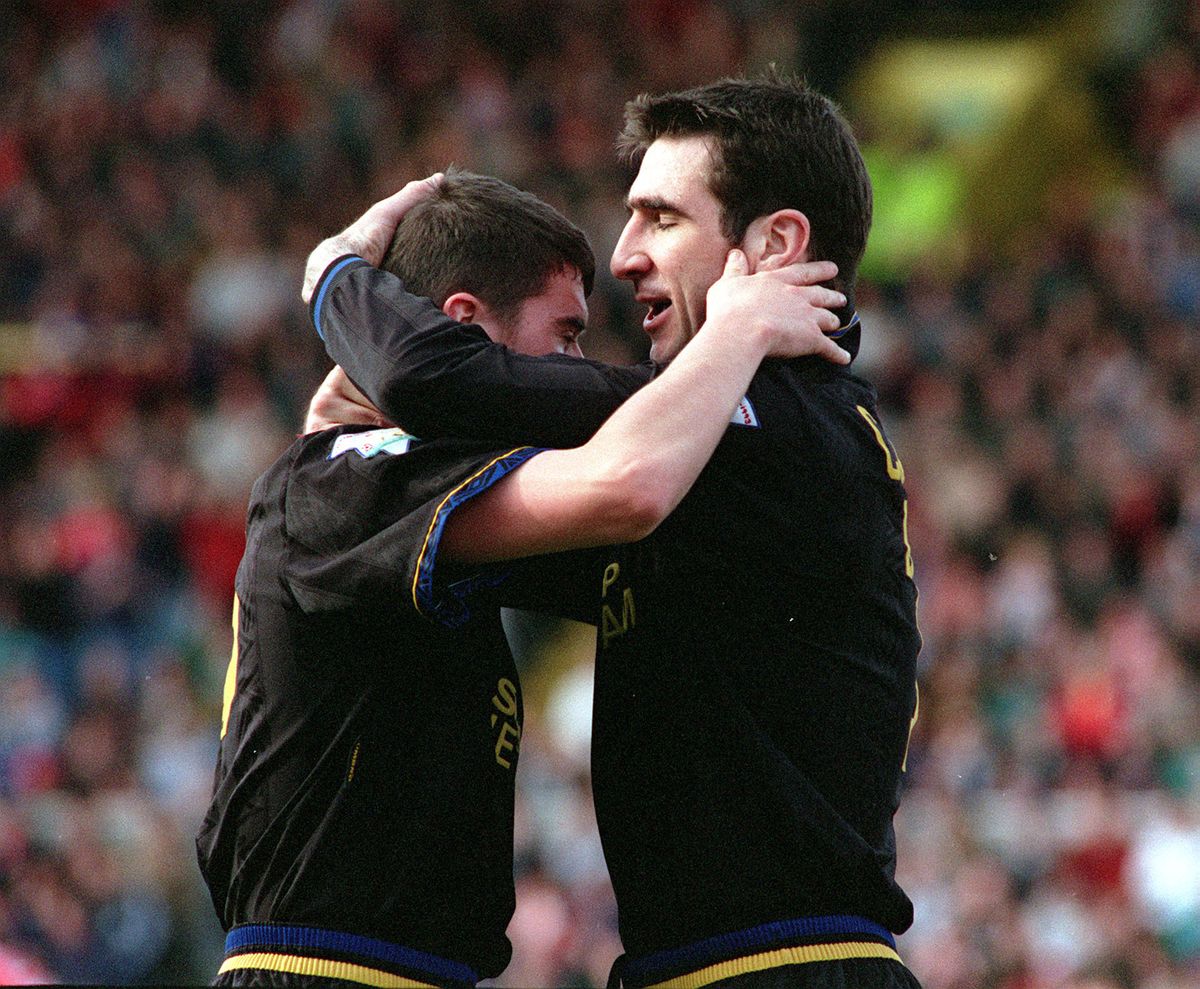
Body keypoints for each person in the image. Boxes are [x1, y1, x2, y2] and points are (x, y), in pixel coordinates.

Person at [303, 74, 922, 989]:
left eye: (662, 218)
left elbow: (436, 378)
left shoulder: (775, 425)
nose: (626, 252)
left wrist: (335, 276)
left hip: (785, 969)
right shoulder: (728, 444)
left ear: (776, 246)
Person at [199, 168, 850, 988]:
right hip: (325, 972)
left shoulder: (414, 507)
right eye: (566, 333)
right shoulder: (347, 478)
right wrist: (735, 335)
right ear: (463, 327)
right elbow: (625, 487)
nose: (578, 365)